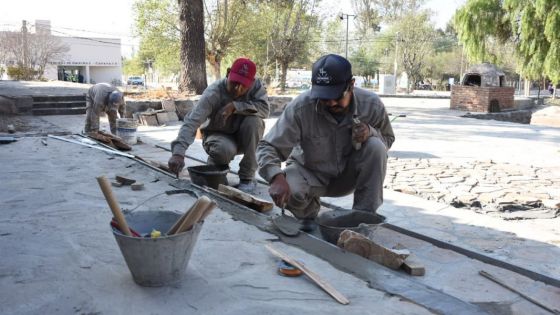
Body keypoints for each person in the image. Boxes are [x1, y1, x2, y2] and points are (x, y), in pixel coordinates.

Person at [257, 54, 395, 231]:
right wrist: (275, 177)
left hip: (348, 176)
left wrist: (371, 132)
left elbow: (388, 140)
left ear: (351, 85)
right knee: (293, 192)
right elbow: (268, 146)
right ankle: (309, 212)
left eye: (337, 96)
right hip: (309, 173)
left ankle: (362, 219)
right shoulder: (301, 107)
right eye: (323, 97)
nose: (330, 102)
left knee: (376, 146)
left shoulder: (371, 105)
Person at [168, 57, 270, 193]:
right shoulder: (213, 93)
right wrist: (178, 153)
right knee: (223, 150)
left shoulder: (256, 87)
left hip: (243, 137)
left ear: (251, 82)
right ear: (228, 73)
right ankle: (216, 168)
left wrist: (235, 106)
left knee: (255, 122)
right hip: (218, 136)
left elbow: (265, 110)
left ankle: (247, 177)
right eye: (234, 83)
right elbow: (192, 122)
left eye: (243, 85)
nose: (237, 89)